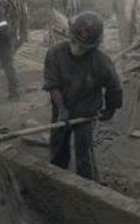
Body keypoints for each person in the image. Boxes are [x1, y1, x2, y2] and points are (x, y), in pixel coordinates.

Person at [43, 11, 123, 180]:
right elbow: (52, 85)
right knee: (58, 149)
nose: (77, 48)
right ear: (70, 34)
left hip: (86, 114)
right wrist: (62, 109)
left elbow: (114, 88)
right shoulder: (55, 54)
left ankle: (87, 184)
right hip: (61, 109)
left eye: (83, 47)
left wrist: (110, 109)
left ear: (95, 44)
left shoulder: (101, 62)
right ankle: (56, 180)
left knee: (83, 154)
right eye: (75, 42)